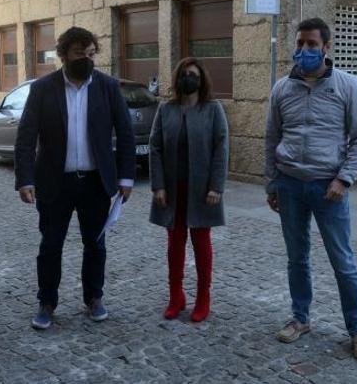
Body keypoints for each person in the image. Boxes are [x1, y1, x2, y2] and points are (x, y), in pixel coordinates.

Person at [264, 18, 357, 360]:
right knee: (297, 258)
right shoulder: (282, 88)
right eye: (300, 44)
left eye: (312, 44)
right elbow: (272, 138)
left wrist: (344, 179)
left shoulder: (348, 86)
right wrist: (271, 182)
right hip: (290, 185)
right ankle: (300, 319)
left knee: (343, 261)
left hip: (330, 189)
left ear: (327, 47)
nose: (305, 50)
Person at [15, 26, 136, 330]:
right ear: (64, 55)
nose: (86, 58)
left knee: (95, 245)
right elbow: (27, 135)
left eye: (90, 53)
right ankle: (47, 302)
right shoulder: (44, 89)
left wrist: (126, 177)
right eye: (79, 53)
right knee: (51, 245)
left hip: (95, 183)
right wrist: (25, 178)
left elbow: (125, 133)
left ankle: (94, 298)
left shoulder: (108, 87)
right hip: (55, 183)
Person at [149, 58, 229, 322]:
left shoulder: (213, 109)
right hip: (172, 190)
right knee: (175, 244)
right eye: (184, 74)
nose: (188, 78)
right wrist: (158, 185)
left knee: (201, 244)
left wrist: (217, 186)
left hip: (203, 190)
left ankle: (203, 298)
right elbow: (155, 147)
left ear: (202, 79)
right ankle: (176, 296)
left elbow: (221, 148)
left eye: (193, 74)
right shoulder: (166, 109)